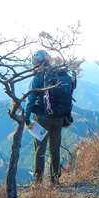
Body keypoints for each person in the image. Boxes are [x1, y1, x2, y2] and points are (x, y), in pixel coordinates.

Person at [25, 50, 75, 185]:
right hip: (59, 119)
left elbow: (30, 100)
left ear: (36, 63)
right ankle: (55, 180)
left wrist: (26, 118)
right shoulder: (61, 74)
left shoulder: (39, 77)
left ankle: (38, 181)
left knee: (40, 149)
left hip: (41, 119)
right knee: (55, 149)